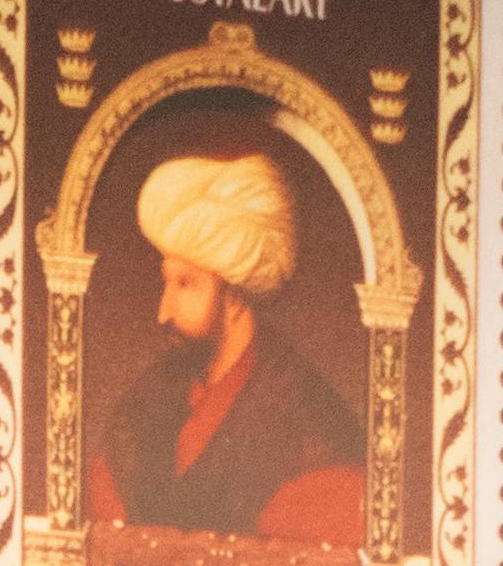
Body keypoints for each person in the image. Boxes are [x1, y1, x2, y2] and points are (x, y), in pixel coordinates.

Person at [87, 145, 364, 544]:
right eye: (167, 283)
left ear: (235, 297)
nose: (163, 311)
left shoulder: (306, 416)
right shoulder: (152, 396)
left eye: (186, 284)